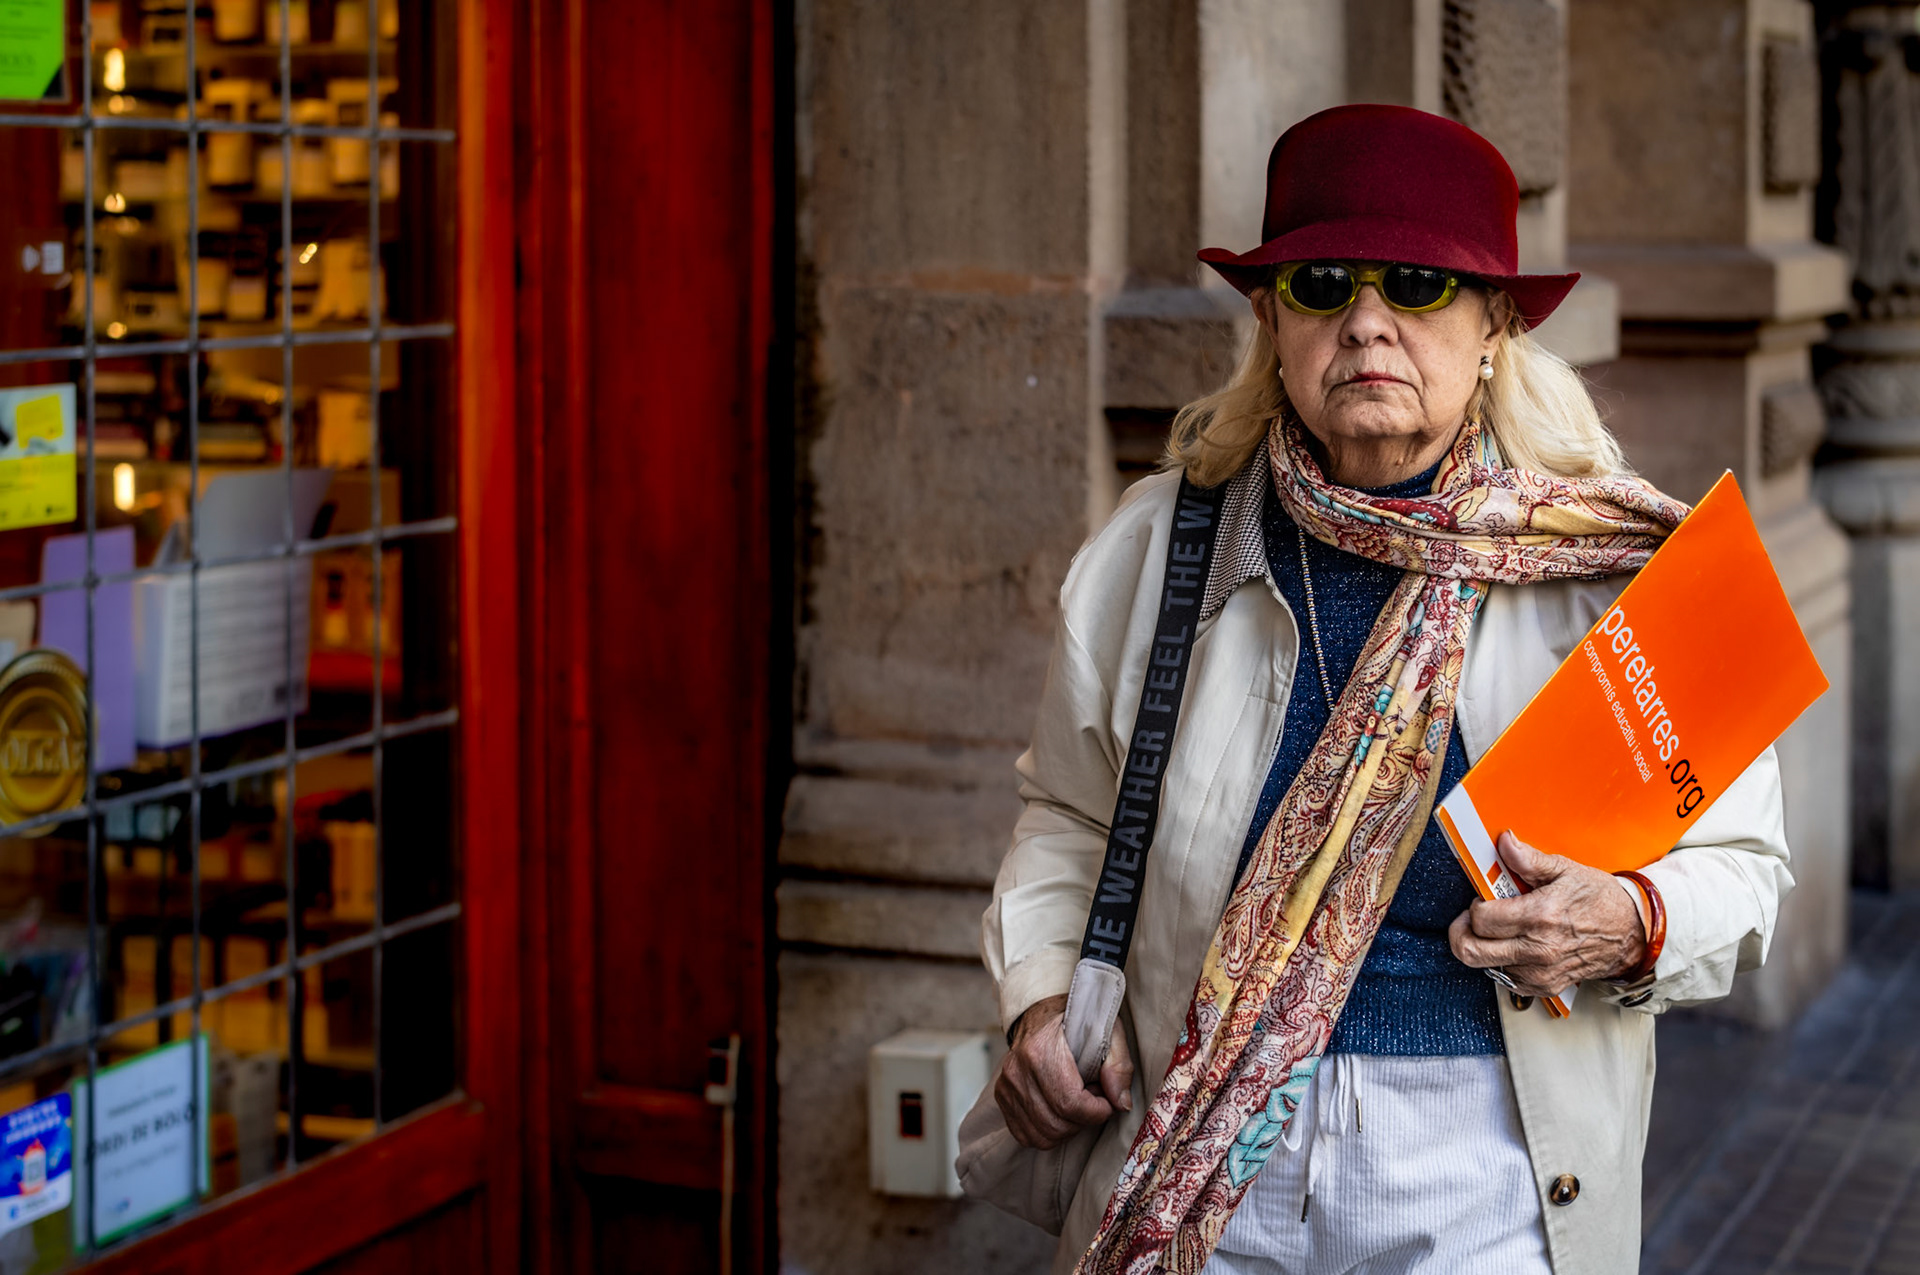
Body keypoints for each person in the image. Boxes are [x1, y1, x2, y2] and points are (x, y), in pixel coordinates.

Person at [980, 104, 1792, 1275]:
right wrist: (1044, 996)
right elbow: (1065, 812)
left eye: (1417, 284)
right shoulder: (1163, 546)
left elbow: (1746, 868)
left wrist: (1629, 924)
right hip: (1202, 1152)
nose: (1366, 322)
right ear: (1271, 321)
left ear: (1495, 324)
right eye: (1321, 286)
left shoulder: (1619, 577)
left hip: (1488, 1164)